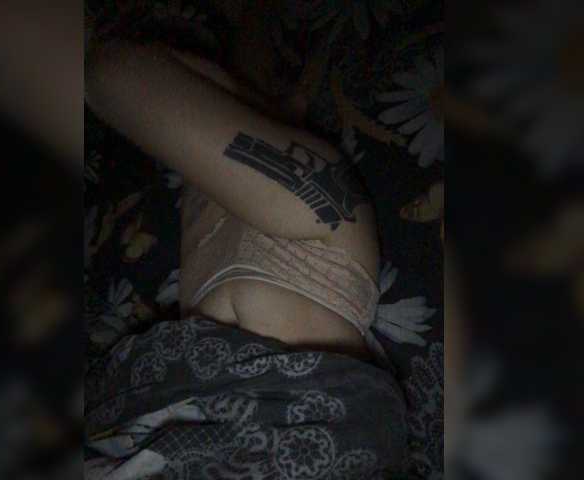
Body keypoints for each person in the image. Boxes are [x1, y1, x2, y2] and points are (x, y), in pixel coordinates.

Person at [85, 33, 406, 480]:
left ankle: (254, 96)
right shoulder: (315, 198)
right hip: (314, 243)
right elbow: (110, 73)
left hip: (291, 244)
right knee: (105, 73)